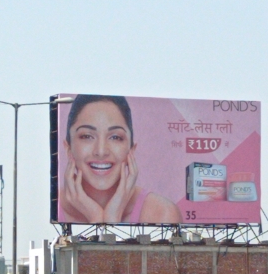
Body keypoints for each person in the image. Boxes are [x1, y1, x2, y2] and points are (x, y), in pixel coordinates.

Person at [60, 95, 181, 224]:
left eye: (115, 137)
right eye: (87, 136)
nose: (101, 152)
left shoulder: (162, 212)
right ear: (68, 148)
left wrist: (112, 218)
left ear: (131, 150)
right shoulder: (48, 206)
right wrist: (96, 216)